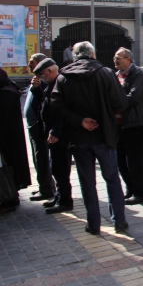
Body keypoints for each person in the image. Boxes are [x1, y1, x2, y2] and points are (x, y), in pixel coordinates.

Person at [51, 41, 128, 235]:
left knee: (87, 182)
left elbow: (56, 105)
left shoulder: (63, 77)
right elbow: (120, 102)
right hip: (104, 135)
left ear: (75, 55)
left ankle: (93, 224)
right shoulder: (106, 73)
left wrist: (80, 121)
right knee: (111, 178)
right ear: (92, 54)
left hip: (78, 137)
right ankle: (119, 221)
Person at [31, 59, 73, 214]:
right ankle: (59, 196)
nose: (41, 78)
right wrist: (36, 89)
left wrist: (55, 131)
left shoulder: (60, 83)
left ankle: (65, 201)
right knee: (55, 167)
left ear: (49, 71)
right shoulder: (50, 84)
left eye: (42, 75)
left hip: (59, 135)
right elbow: (44, 103)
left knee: (61, 169)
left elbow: (61, 111)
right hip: (52, 134)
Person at [114, 48, 143, 205]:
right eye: (115, 58)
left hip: (134, 123)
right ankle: (130, 188)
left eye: (119, 58)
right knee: (121, 160)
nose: (115, 61)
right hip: (119, 125)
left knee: (135, 161)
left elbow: (134, 97)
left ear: (128, 59)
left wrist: (115, 102)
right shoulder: (116, 75)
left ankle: (140, 192)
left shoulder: (138, 74)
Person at [24, 53, 54, 202]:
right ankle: (45, 185)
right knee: (38, 157)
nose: (30, 65)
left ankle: (47, 189)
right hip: (33, 123)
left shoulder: (45, 80)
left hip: (39, 124)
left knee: (41, 157)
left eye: (32, 62)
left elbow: (45, 101)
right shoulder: (37, 79)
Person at [0, 69, 31, 213]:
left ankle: (10, 198)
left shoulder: (6, 93)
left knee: (8, 171)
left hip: (8, 140)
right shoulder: (8, 90)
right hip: (10, 138)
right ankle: (11, 195)